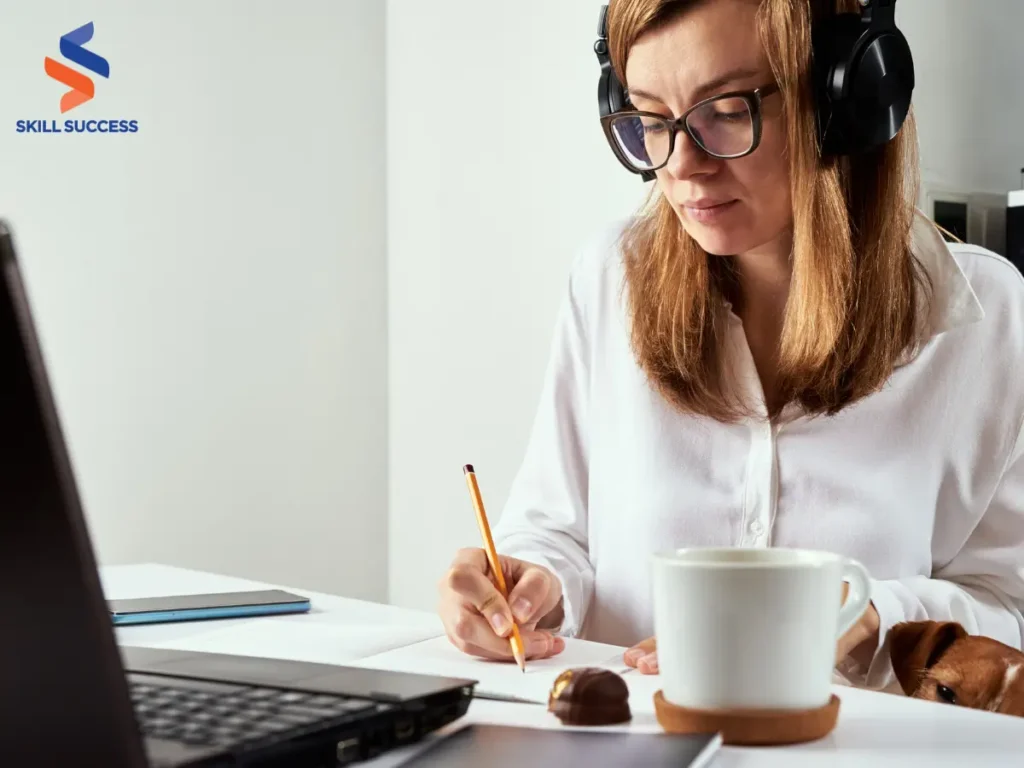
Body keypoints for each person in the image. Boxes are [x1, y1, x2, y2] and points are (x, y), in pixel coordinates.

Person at [435, 0, 1024, 693]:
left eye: (728, 110)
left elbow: (1008, 606)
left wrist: (871, 614)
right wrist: (531, 586)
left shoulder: (988, 319)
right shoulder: (607, 279)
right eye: (652, 121)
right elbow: (553, 530)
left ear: (843, 99)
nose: (682, 166)